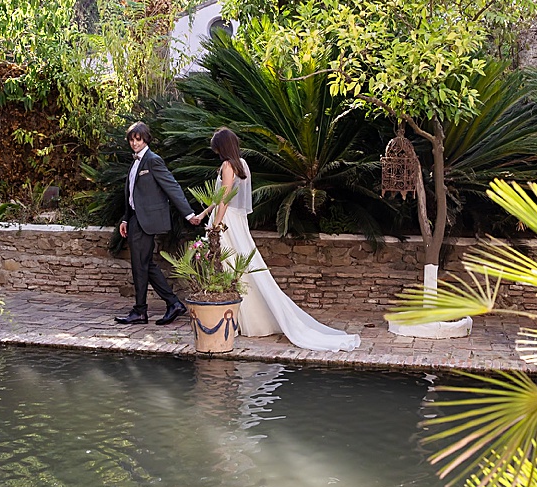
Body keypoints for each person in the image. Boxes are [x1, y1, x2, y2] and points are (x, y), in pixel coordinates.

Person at [190, 127, 360, 352]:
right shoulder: (241, 164)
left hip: (226, 221)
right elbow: (219, 197)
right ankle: (240, 318)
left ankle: (235, 318)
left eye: (217, 149)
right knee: (242, 267)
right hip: (234, 220)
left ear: (222, 147)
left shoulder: (227, 166)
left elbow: (225, 199)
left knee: (230, 266)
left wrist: (216, 226)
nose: (216, 153)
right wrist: (203, 214)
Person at [116, 121, 197, 326]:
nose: (135, 143)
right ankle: (171, 304)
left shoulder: (153, 160)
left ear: (146, 139)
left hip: (147, 220)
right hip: (135, 218)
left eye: (138, 139)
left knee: (140, 264)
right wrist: (126, 218)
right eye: (132, 140)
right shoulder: (135, 162)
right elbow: (132, 194)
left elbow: (172, 186)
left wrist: (188, 214)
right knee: (144, 264)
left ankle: (142, 311)